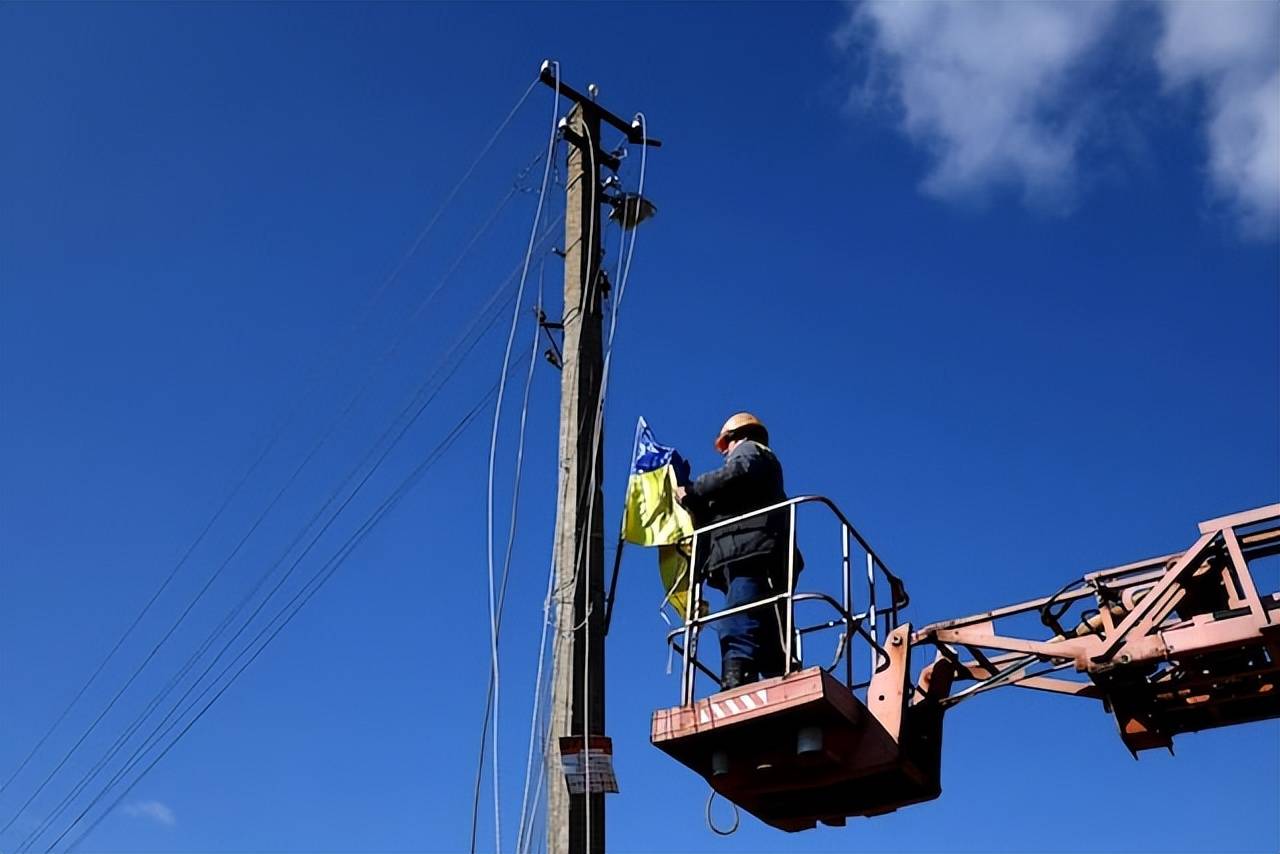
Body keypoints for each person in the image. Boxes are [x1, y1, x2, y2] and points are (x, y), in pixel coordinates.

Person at [675, 412, 800, 691]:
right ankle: (778, 671)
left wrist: (692, 489)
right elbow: (721, 508)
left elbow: (735, 472)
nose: (725, 453)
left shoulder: (750, 451)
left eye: (725, 445)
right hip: (749, 551)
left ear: (737, 436)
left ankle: (738, 677)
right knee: (765, 620)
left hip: (750, 552)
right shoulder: (752, 481)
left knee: (740, 617)